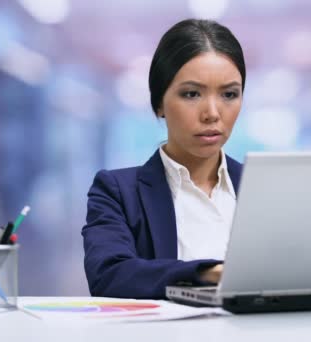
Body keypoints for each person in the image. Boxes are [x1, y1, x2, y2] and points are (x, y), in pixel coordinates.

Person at [82, 19, 246, 299]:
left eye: (229, 94)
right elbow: (108, 276)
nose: (212, 113)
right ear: (159, 103)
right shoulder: (118, 192)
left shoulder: (261, 187)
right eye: (192, 94)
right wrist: (209, 273)